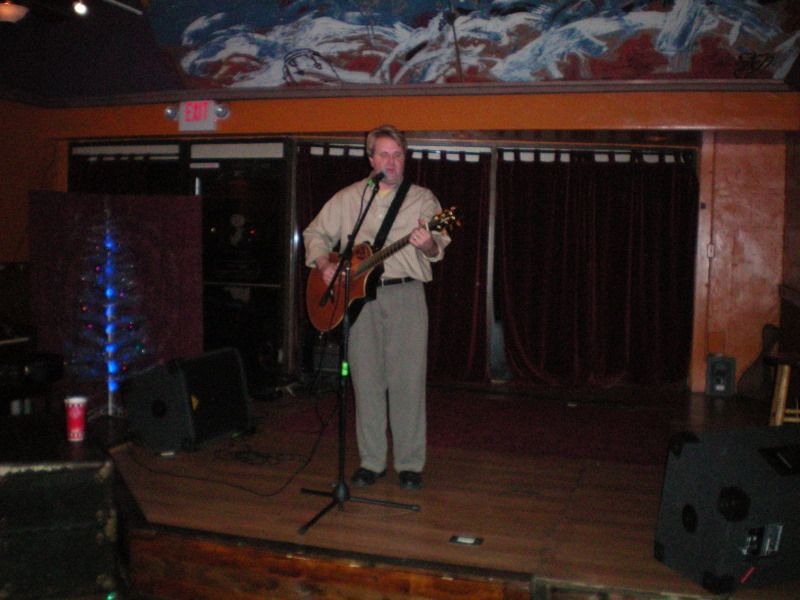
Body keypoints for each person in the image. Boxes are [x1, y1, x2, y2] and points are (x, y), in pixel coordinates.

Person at [303, 124, 450, 490]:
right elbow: (315, 234)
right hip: (357, 301)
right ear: (370, 159)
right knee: (366, 381)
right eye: (384, 154)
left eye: (397, 155)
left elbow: (437, 247)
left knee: (407, 382)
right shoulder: (349, 197)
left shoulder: (423, 200)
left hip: (405, 295)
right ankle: (371, 461)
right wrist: (324, 264)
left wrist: (427, 244)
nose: (391, 161)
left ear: (405, 158)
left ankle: (409, 464)